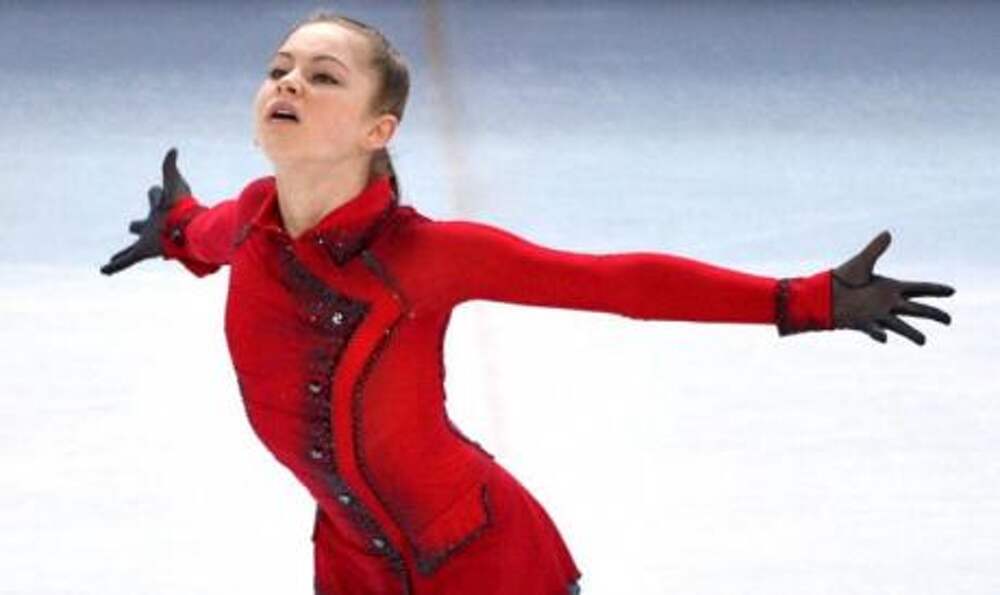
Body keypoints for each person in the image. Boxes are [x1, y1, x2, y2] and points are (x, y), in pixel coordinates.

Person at [99, 10, 955, 595]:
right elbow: (200, 231)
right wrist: (172, 225)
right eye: (279, 69)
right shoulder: (250, 218)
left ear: (377, 131)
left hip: (484, 561)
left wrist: (805, 299)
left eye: (322, 77)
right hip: (355, 564)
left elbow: (616, 282)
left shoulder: (425, 256)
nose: (288, 83)